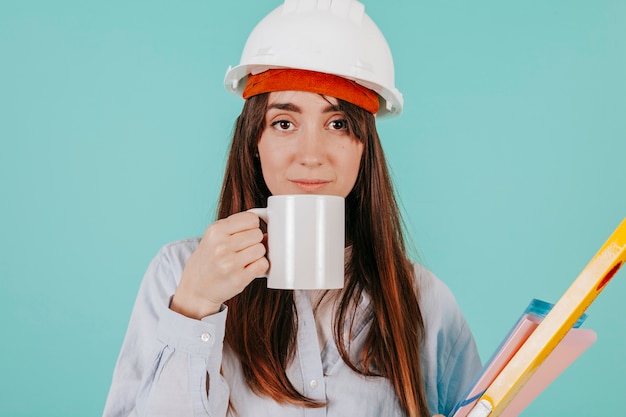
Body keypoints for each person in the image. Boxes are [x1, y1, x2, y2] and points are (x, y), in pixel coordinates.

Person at [103, 1, 482, 416]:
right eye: (284, 122)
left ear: (364, 148)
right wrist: (194, 307)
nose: (311, 155)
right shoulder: (177, 274)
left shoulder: (424, 301)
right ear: (254, 142)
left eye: (338, 123)